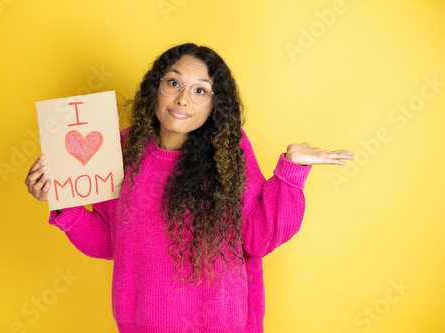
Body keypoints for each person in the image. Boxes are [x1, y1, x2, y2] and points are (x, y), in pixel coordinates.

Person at [25, 43, 354, 333]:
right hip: (140, 324)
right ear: (156, 88)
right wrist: (63, 202)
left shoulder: (230, 151)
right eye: (173, 83)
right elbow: (109, 242)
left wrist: (291, 171)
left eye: (200, 91)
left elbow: (258, 238)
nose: (183, 98)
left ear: (214, 105)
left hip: (222, 325)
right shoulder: (121, 148)